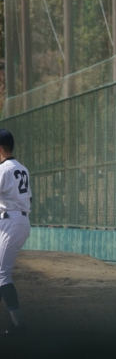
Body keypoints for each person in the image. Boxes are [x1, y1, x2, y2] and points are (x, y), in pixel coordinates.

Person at [0, 129, 32, 335]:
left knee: (3, 275)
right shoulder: (22, 168)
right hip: (20, 220)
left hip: (10, 222)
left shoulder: (3, 170)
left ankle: (18, 324)